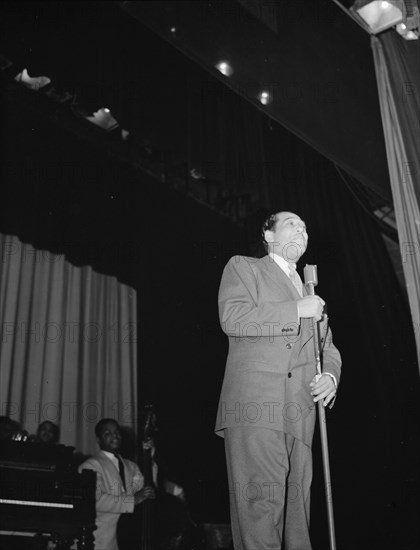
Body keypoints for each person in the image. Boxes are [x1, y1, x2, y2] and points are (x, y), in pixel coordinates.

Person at [215, 211, 342, 550]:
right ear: (268, 235)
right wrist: (296, 310)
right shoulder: (245, 268)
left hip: (299, 413)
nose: (301, 229)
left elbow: (327, 348)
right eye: (291, 224)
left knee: (298, 521)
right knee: (260, 510)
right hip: (257, 404)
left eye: (304, 227)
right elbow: (233, 317)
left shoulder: (310, 292)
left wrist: (330, 375)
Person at [78, 418, 156, 550]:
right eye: (107, 433)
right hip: (101, 541)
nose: (114, 435)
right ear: (98, 440)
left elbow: (148, 491)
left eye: (117, 432)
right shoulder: (90, 465)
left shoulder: (131, 466)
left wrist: (150, 457)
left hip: (128, 540)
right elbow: (96, 501)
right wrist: (133, 500)